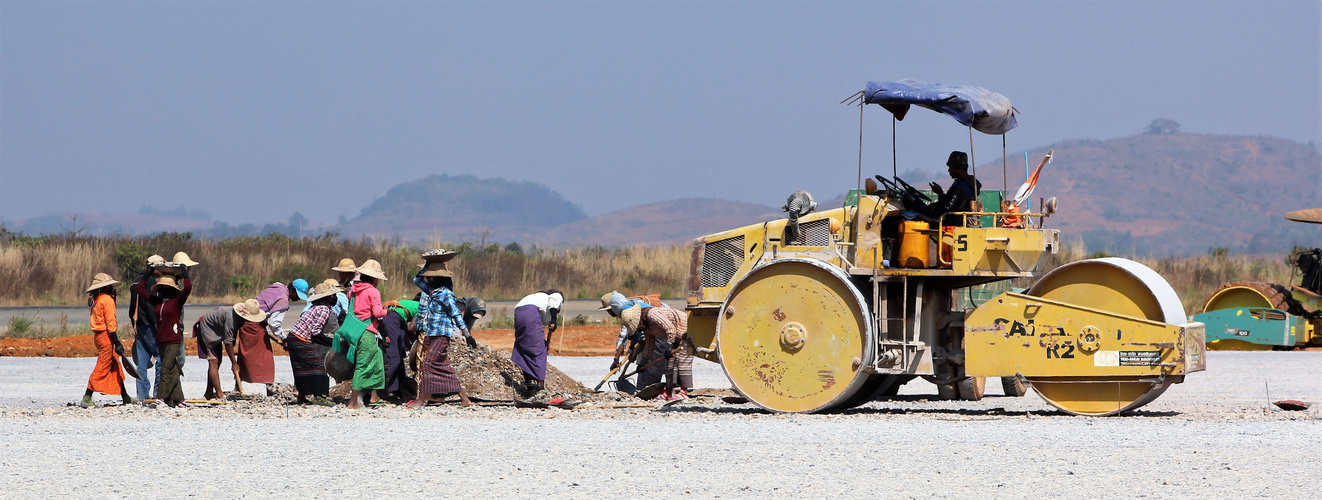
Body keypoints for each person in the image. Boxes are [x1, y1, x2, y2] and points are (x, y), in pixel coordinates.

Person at [408, 250, 474, 408]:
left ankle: (421, 400)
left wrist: (467, 334)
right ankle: (464, 399)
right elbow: (416, 279)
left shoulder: (446, 294)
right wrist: (426, 266)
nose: (428, 278)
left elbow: (455, 313)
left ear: (438, 277)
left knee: (427, 364)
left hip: (441, 335)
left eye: (431, 275)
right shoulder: (431, 291)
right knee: (443, 367)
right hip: (432, 334)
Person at [194, 299, 266, 400]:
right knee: (214, 362)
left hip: (218, 329)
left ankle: (209, 392)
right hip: (208, 329)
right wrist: (234, 363)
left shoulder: (240, 318)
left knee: (218, 362)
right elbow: (228, 343)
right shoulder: (231, 318)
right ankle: (219, 394)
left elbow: (232, 335)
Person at [283, 281, 341, 405]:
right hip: (300, 339)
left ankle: (301, 396)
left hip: (293, 338)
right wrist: (333, 343)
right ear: (328, 298)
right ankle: (319, 396)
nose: (335, 298)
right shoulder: (324, 309)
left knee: (301, 369)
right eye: (333, 296)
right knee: (318, 367)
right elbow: (316, 333)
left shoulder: (314, 308)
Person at [621, 303, 693, 401]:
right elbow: (649, 346)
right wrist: (642, 363)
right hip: (675, 337)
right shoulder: (647, 327)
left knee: (682, 361)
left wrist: (668, 347)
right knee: (669, 363)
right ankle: (668, 392)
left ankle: (684, 392)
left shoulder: (653, 314)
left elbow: (670, 329)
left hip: (686, 332)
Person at [344, 259, 388, 408]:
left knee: (377, 357)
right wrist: (389, 310)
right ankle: (353, 401)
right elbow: (377, 312)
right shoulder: (373, 291)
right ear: (374, 277)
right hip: (366, 331)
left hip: (356, 330)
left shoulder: (353, 291)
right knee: (362, 365)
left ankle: (375, 396)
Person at [83, 273, 132, 407]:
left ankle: (125, 396)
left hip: (98, 336)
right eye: (110, 286)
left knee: (115, 365)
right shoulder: (107, 300)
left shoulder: (96, 299)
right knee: (102, 367)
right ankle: (87, 396)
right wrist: (117, 343)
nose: (112, 288)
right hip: (106, 337)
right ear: (105, 287)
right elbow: (110, 323)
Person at [147, 266, 193, 408]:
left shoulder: (176, 302)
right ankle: (180, 400)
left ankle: (161, 397)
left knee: (165, 368)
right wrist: (147, 273)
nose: (163, 290)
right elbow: (140, 290)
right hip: (161, 340)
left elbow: (188, 288)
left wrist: (185, 272)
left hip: (174, 340)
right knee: (172, 369)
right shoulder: (157, 302)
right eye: (162, 287)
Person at [511, 288, 564, 400]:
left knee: (523, 348)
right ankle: (540, 388)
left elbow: (543, 319)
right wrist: (554, 320)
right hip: (531, 313)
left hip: (519, 313)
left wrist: (551, 324)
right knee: (539, 350)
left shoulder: (534, 297)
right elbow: (554, 301)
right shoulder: (556, 295)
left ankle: (529, 386)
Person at [127, 254, 166, 402]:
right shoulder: (150, 282)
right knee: (160, 359)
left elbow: (132, 308)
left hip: (139, 326)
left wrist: (134, 324)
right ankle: (157, 394)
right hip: (150, 325)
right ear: (154, 268)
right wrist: (158, 324)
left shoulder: (135, 282)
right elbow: (151, 307)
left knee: (141, 364)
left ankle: (143, 396)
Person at [908, 151, 982, 224]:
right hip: (951, 218)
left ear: (959, 168)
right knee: (918, 205)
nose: (949, 170)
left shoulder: (962, 186)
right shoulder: (962, 183)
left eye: (951, 167)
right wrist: (937, 202)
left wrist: (939, 194)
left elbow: (948, 208)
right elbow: (949, 203)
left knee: (912, 216)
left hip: (949, 220)